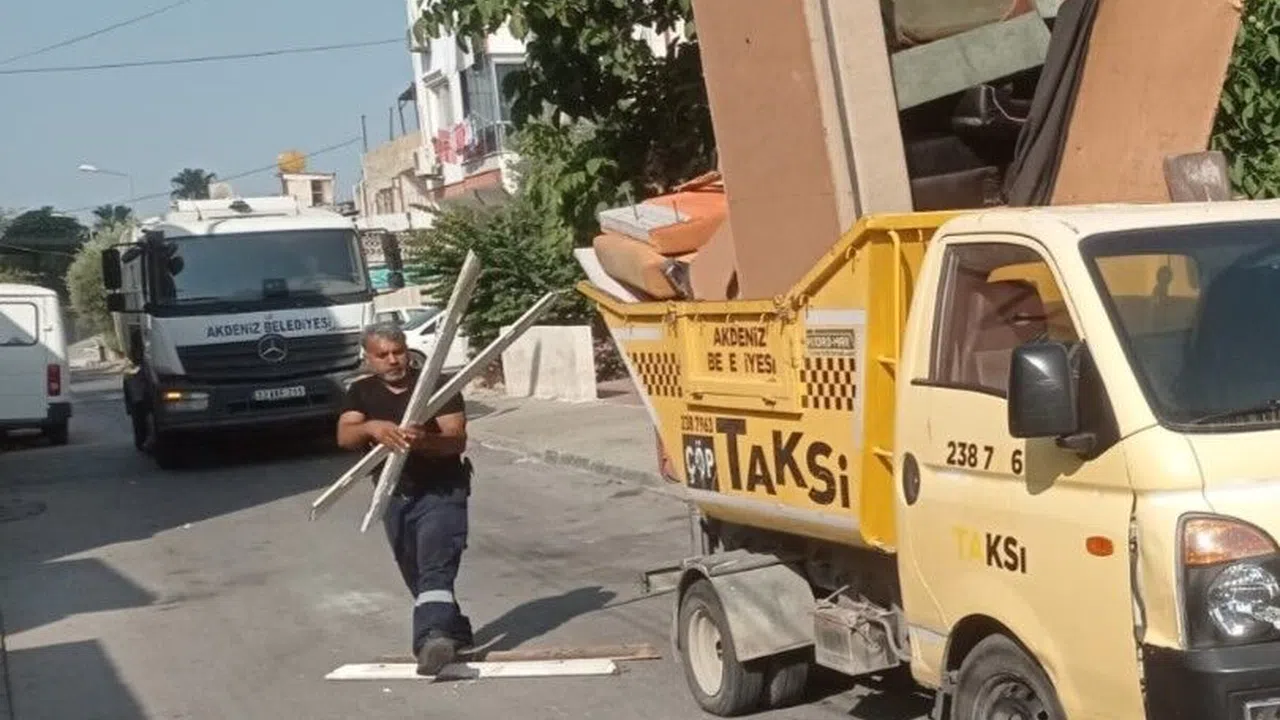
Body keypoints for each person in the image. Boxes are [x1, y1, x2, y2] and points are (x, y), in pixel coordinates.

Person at [336, 323, 474, 675]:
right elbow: (345, 435)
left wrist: (424, 441)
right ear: (368, 358)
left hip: (442, 491)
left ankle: (431, 640)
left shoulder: (437, 385)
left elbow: (456, 438)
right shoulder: (361, 392)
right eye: (382, 355)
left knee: (435, 564)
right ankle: (454, 628)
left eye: (398, 351)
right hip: (394, 494)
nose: (393, 360)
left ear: (407, 350)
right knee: (414, 571)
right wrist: (372, 428)